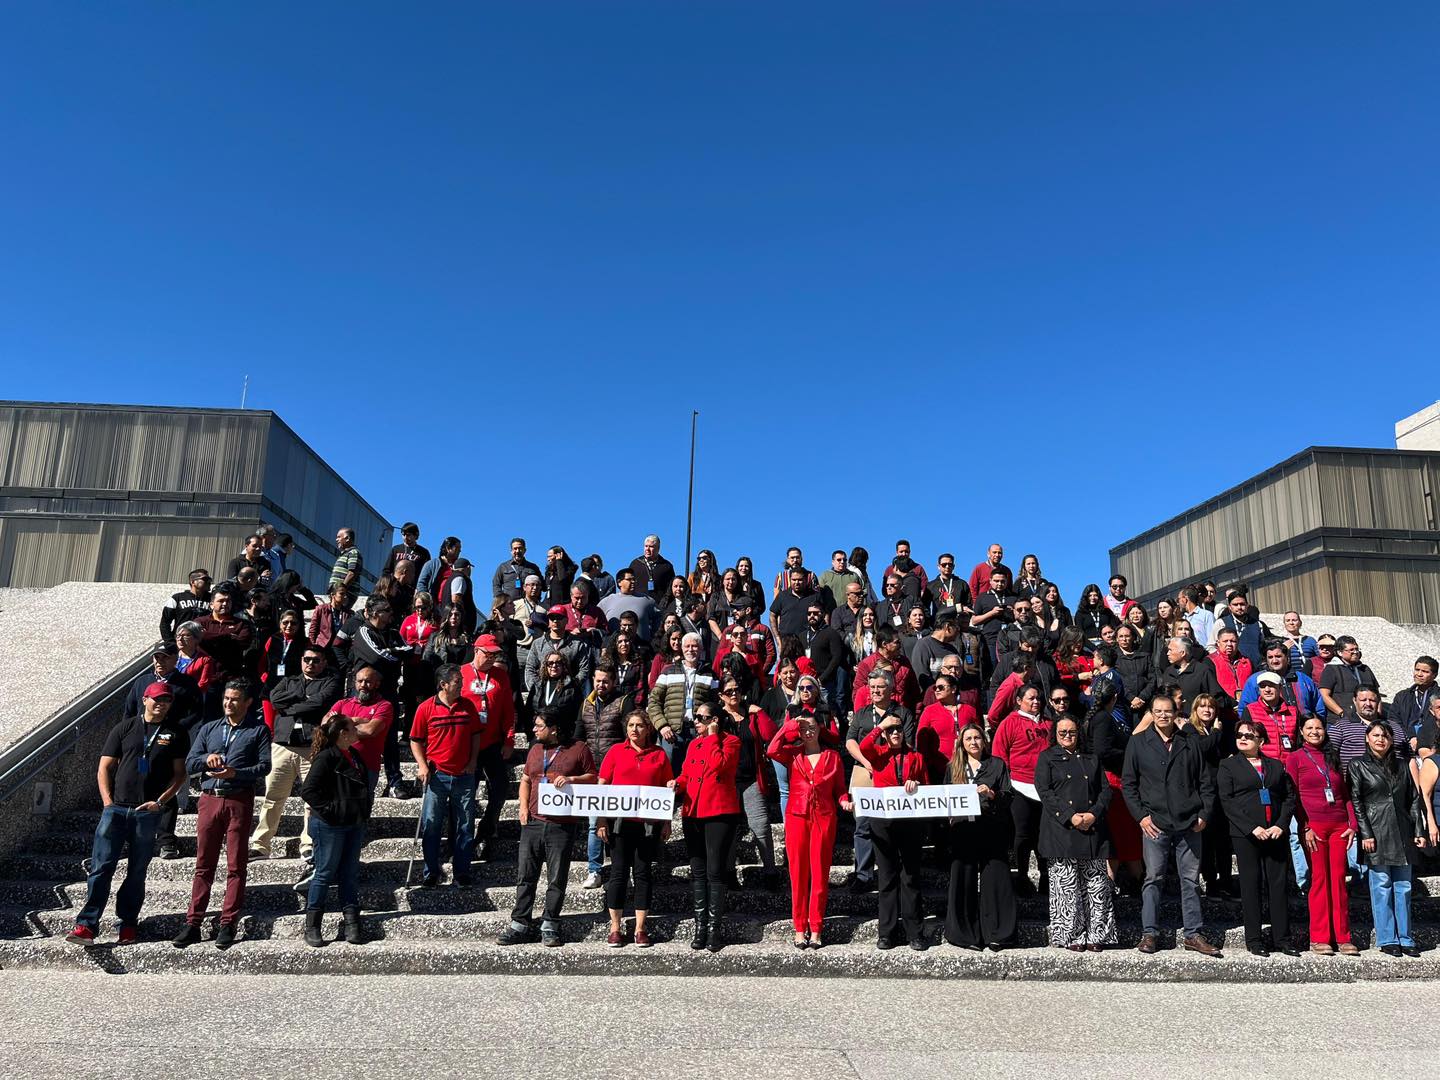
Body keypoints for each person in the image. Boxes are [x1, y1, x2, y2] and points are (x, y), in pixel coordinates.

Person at [65, 684, 190, 946]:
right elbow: (104, 768)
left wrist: (159, 802)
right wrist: (108, 802)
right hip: (117, 809)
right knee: (101, 868)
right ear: (145, 700)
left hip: (147, 812)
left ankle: (128, 924)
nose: (161, 704)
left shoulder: (176, 733)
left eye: (166, 700)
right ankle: (87, 925)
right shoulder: (124, 728)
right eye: (156, 699)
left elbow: (180, 775)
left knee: (137, 872)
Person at [173, 680, 271, 950]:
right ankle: (193, 922)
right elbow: (191, 763)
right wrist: (207, 759)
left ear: (247, 702)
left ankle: (228, 922)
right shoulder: (209, 729)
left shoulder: (258, 730)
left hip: (238, 799)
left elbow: (264, 766)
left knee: (236, 864)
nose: (229, 703)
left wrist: (235, 773)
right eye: (227, 698)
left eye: (235, 699)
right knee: (204, 863)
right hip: (209, 799)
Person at [1121, 694, 1220, 957]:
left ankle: (1193, 934)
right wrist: (1141, 816)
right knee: (1153, 878)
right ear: (1151, 713)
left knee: (1190, 880)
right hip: (1155, 822)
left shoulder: (1190, 742)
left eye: (1168, 711)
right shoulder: (1138, 742)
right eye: (1158, 711)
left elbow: (1205, 783)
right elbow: (1128, 785)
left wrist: (1204, 814)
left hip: (1189, 821)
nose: (1164, 716)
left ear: (1177, 712)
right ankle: (1150, 933)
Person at [499, 708, 597, 947]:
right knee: (526, 875)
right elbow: (525, 779)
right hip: (533, 822)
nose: (534, 730)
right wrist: (522, 806)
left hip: (561, 825)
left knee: (556, 877)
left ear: (554, 729)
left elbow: (593, 777)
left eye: (539, 726)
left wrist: (572, 779)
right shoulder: (535, 749)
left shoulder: (579, 749)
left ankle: (550, 923)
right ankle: (520, 923)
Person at [248, 644, 342, 887]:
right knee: (272, 796)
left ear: (323, 663)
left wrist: (292, 706)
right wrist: (302, 700)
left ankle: (308, 844)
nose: (310, 664)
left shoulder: (330, 682)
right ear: (301, 660)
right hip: (282, 745)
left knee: (312, 800)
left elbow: (320, 704)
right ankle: (260, 845)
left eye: (316, 660)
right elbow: (273, 697)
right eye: (307, 659)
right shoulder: (288, 680)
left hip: (312, 747)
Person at [767, 707, 851, 948]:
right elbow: (772, 748)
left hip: (823, 818)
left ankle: (816, 928)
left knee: (820, 874)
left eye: (812, 727)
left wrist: (844, 801)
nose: (808, 731)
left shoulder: (832, 757)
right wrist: (791, 726)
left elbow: (840, 789)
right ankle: (799, 927)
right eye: (804, 728)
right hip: (797, 817)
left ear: (820, 729)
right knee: (798, 874)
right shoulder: (792, 754)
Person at [1217, 720, 1298, 956]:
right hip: (1246, 835)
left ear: (1260, 741)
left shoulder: (1274, 766)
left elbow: (1288, 798)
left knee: (1278, 885)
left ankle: (1282, 938)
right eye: (1239, 734)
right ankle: (1254, 940)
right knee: (1251, 886)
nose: (1243, 738)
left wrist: (1281, 825)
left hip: (1275, 834)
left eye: (1249, 736)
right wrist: (1252, 827)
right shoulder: (1228, 766)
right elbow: (1227, 801)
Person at [1035, 715, 1115, 952]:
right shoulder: (1047, 758)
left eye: (1072, 732)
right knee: (1066, 886)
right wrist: (1070, 815)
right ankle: (1071, 935)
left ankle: (1097, 933)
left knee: (1097, 886)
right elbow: (1045, 791)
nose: (1068, 737)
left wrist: (1094, 814)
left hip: (1092, 827)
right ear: (1055, 735)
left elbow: (1105, 790)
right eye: (1062, 733)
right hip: (1062, 829)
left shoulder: (1092, 758)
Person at [595, 710, 674, 947]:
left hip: (648, 825)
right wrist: (600, 820)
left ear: (648, 728)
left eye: (640, 725)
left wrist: (667, 821)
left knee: (643, 874)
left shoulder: (659, 754)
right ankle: (615, 927)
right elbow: (602, 785)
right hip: (619, 824)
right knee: (618, 874)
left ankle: (640, 928)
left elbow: (666, 788)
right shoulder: (616, 751)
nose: (634, 729)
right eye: (630, 725)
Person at [1348, 721, 1426, 957]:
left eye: (1385, 735)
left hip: (1402, 831)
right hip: (1376, 831)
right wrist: (1366, 833)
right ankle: (1387, 937)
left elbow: (1413, 799)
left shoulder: (1402, 765)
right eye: (1376, 735)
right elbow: (1357, 802)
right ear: (1367, 738)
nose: (1381, 739)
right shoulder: (1357, 765)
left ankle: (1405, 936)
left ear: (1392, 740)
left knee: (1403, 887)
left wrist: (1418, 831)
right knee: (1381, 886)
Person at [667, 701, 741, 952]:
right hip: (693, 811)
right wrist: (676, 783)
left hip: (718, 811)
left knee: (715, 870)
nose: (696, 721)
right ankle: (701, 926)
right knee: (697, 870)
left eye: (702, 717)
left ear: (715, 721)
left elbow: (720, 765)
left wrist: (712, 737)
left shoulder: (730, 741)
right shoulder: (693, 744)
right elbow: (687, 775)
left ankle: (714, 929)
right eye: (695, 717)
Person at [1285, 715, 1359, 955]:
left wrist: (1352, 824)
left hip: (1339, 826)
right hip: (1313, 827)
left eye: (1319, 727)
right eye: (1310, 728)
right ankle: (1319, 937)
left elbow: (1345, 795)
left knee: (1338, 879)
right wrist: (1305, 827)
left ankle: (1343, 936)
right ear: (1302, 732)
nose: (1315, 731)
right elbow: (1293, 797)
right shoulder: (1295, 759)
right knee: (1319, 880)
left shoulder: (1332, 757)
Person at [298, 712, 373, 947]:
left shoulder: (354, 755)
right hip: (329, 825)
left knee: (349, 873)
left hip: (353, 823)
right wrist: (331, 810)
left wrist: (361, 813)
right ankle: (313, 925)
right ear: (343, 734)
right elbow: (309, 790)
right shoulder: (326, 757)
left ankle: (352, 924)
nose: (356, 731)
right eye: (353, 728)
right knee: (325, 872)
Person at [943, 723, 1017, 950]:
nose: (973, 742)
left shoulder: (997, 765)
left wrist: (991, 794)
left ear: (984, 741)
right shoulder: (953, 767)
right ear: (962, 744)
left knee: (996, 879)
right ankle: (965, 935)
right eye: (968, 739)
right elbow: (944, 796)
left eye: (977, 738)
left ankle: (998, 933)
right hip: (963, 829)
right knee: (962, 879)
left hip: (991, 827)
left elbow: (1008, 796)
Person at [857, 717, 929, 950]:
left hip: (910, 821)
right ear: (885, 735)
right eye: (891, 730)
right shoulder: (878, 754)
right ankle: (886, 932)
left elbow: (928, 787)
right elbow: (864, 746)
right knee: (887, 877)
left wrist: (917, 784)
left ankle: (914, 933)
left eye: (899, 729)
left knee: (910, 877)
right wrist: (881, 725)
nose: (895, 733)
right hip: (883, 822)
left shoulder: (916, 757)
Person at [409, 664, 482, 887]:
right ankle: (431, 872)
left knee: (465, 825)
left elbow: (475, 736)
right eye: (457, 682)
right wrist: (422, 766)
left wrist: (472, 761)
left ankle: (462, 872)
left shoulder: (468, 706)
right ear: (443, 684)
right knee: (431, 825)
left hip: (464, 775)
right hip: (437, 776)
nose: (462, 685)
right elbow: (415, 740)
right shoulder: (425, 708)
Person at [717, 676, 781, 889]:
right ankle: (728, 873)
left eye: (736, 689)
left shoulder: (751, 713)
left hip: (752, 779)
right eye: (729, 691)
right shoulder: (718, 718)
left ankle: (771, 872)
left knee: (761, 826)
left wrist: (760, 712)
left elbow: (770, 734)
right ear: (721, 696)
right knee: (731, 830)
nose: (734, 694)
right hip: (727, 782)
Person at [991, 685, 1053, 896]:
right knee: (1023, 834)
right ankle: (1022, 876)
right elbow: (999, 756)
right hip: (1019, 785)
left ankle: (1046, 877)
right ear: (1019, 700)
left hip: (1045, 788)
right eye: (1031, 698)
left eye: (1038, 698)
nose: (1036, 701)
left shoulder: (1048, 723)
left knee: (1044, 834)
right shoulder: (1009, 723)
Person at [459, 634, 515, 863]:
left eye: (494, 654)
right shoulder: (461, 672)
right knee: (466, 794)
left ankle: (487, 828)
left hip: (492, 743)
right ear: (476, 651)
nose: (491, 658)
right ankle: (462, 837)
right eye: (487, 654)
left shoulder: (501, 675)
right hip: (466, 745)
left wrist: (509, 740)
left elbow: (508, 710)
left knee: (500, 788)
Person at [648, 631, 719, 769]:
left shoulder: (710, 674)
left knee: (697, 770)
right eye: (687, 646)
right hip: (672, 732)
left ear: (701, 649)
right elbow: (654, 701)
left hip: (699, 732)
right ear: (681, 648)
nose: (690, 650)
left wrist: (708, 728)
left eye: (694, 646)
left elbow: (716, 705)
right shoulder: (668, 672)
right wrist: (662, 726)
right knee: (670, 773)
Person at [915, 674, 978, 783]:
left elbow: (979, 735)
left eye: (941, 687)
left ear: (953, 689)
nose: (937, 690)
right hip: (939, 769)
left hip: (968, 766)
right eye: (935, 688)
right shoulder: (929, 711)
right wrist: (928, 764)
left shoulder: (970, 710)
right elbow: (921, 742)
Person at [599, 568, 658, 638]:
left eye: (634, 579)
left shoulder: (647, 600)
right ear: (619, 582)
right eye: (629, 579)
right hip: (613, 647)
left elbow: (659, 621)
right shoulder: (606, 602)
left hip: (641, 647)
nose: (633, 582)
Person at [160, 569, 213, 642]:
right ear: (193, 582)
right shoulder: (177, 598)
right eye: (205, 579)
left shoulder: (213, 599)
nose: (209, 582)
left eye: (210, 580)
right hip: (181, 642)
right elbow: (165, 622)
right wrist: (169, 642)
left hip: (204, 644)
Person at [629, 533, 676, 600]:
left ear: (658, 548)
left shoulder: (666, 566)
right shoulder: (635, 564)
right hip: (638, 605)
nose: (647, 549)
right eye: (646, 546)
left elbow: (670, 590)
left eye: (651, 547)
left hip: (659, 606)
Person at [328, 527, 363, 595]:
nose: (336, 540)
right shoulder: (344, 554)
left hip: (345, 594)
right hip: (337, 594)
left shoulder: (353, 552)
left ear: (347, 538)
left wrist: (341, 590)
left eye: (339, 537)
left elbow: (352, 573)